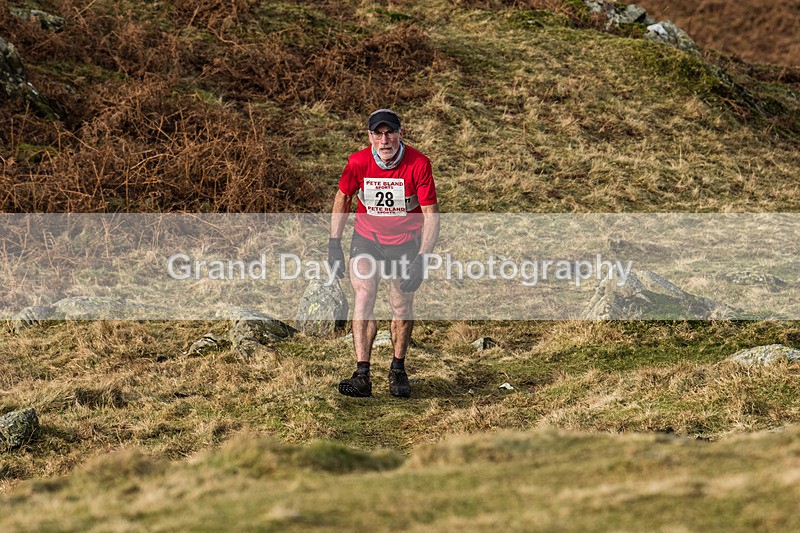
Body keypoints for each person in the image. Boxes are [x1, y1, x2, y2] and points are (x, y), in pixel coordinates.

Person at [328, 108, 440, 398]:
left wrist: (422, 259)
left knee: (401, 305)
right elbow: (343, 196)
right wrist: (333, 243)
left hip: (405, 242)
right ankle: (362, 373)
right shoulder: (358, 161)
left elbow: (431, 215)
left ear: (400, 133)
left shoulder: (419, 164)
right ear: (370, 137)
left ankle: (398, 369)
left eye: (390, 132)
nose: (385, 139)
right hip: (367, 239)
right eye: (378, 133)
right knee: (364, 295)